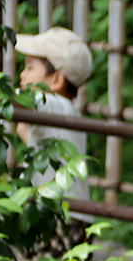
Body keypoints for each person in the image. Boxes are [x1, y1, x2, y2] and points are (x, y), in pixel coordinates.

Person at [14, 26, 93, 225]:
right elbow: (50, 148)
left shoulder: (53, 104)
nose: (22, 75)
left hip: (61, 217)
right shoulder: (66, 111)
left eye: (30, 68)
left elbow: (6, 99)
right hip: (74, 216)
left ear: (56, 79)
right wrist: (24, 130)